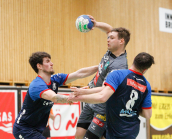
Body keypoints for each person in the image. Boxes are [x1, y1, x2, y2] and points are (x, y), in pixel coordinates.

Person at [68, 52, 155, 139]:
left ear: (134, 60)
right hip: (132, 131)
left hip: (115, 128)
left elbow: (102, 96)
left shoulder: (117, 74)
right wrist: (132, 109)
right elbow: (147, 114)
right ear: (145, 69)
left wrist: (78, 97)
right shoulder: (146, 85)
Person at [12, 51, 98, 139]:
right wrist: (73, 97)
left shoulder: (55, 79)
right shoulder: (37, 85)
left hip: (37, 129)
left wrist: (100, 67)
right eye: (47, 61)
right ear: (39, 66)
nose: (52, 63)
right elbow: (54, 97)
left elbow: (79, 74)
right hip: (24, 129)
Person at [75, 15, 130, 139]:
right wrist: (96, 24)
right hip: (90, 102)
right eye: (108, 37)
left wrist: (82, 93)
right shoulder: (111, 51)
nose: (108, 39)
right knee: (78, 135)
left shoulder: (119, 65)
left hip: (102, 105)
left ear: (121, 41)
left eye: (111, 38)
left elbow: (105, 90)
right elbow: (109, 29)